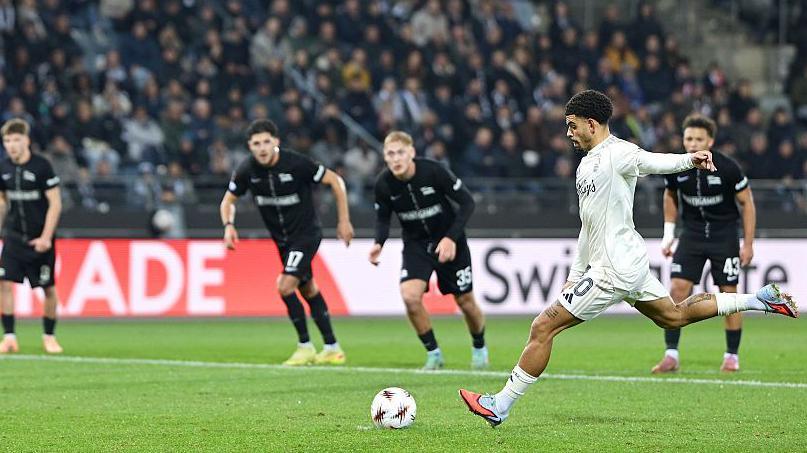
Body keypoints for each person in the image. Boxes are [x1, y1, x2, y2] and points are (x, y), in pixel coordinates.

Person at [458, 90, 798, 427]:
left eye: (572, 125)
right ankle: (759, 300)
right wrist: (575, 274)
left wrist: (688, 160)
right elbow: (588, 226)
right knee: (674, 316)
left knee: (542, 327)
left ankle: (500, 405)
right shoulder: (585, 166)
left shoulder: (617, 152)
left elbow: (652, 161)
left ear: (592, 124)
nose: (568, 132)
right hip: (627, 264)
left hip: (613, 269)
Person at [220, 119, 354, 366]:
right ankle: (332, 348)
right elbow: (228, 201)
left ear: (276, 142)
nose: (262, 148)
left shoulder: (296, 163)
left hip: (306, 235)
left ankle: (305, 346)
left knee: (284, 286)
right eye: (256, 143)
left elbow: (336, 181)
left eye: (266, 142)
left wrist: (343, 221)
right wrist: (228, 225)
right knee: (308, 289)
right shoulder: (247, 170)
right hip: (282, 241)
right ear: (250, 146)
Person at [370, 131, 488, 370]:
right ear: (385, 157)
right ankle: (434, 354)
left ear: (411, 153)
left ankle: (479, 347)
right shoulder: (383, 184)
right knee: (410, 297)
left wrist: (450, 238)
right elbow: (383, 219)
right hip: (416, 245)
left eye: (400, 152)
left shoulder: (433, 171)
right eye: (390, 154)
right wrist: (378, 243)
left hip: (450, 242)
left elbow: (467, 202)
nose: (396, 158)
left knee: (465, 301)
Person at [652, 114, 756, 374]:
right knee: (677, 290)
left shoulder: (728, 167)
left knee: (729, 294)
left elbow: (747, 203)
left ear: (710, 141)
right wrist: (668, 234)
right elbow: (670, 196)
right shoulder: (677, 166)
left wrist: (748, 244)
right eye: (688, 138)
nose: (693, 143)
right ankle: (671, 355)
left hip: (724, 236)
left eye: (698, 139)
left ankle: (731, 356)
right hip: (692, 235)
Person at [0, 119, 64, 354]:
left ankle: (49, 336)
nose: (11, 145)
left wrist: (46, 237)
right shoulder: (3, 168)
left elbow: (55, 204)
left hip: (40, 240)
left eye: (16, 140)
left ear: (26, 140)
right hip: (14, 238)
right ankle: (9, 337)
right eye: (7, 141)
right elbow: (2, 202)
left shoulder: (41, 166)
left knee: (48, 289)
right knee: (4, 283)